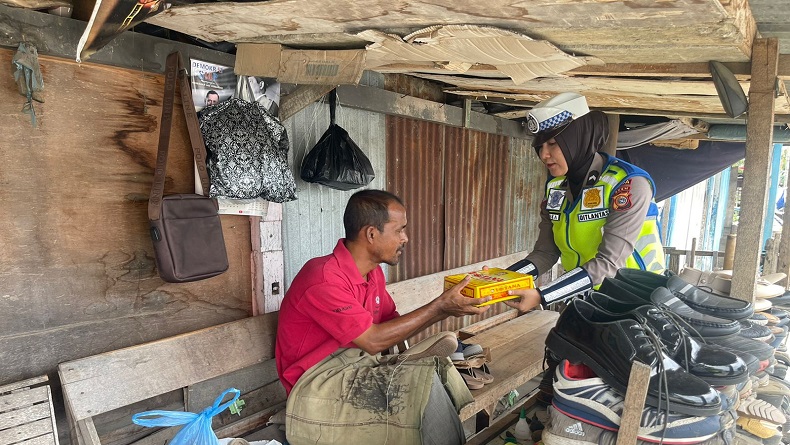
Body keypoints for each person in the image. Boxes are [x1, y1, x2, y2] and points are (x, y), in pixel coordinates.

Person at [275, 189, 491, 445]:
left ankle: (405, 364)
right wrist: (441, 308)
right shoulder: (322, 278)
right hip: (318, 382)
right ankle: (405, 367)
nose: (406, 238)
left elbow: (391, 325)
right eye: (399, 230)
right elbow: (373, 340)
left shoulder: (372, 273)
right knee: (424, 384)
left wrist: (451, 306)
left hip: (362, 365)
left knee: (437, 372)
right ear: (371, 234)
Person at [502, 92, 666, 406]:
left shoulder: (628, 185)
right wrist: (501, 279)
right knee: (560, 393)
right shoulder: (556, 189)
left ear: (579, 137)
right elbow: (545, 253)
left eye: (552, 144)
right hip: (590, 305)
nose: (544, 155)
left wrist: (543, 295)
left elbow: (607, 264)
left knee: (618, 403)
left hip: (637, 311)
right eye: (540, 146)